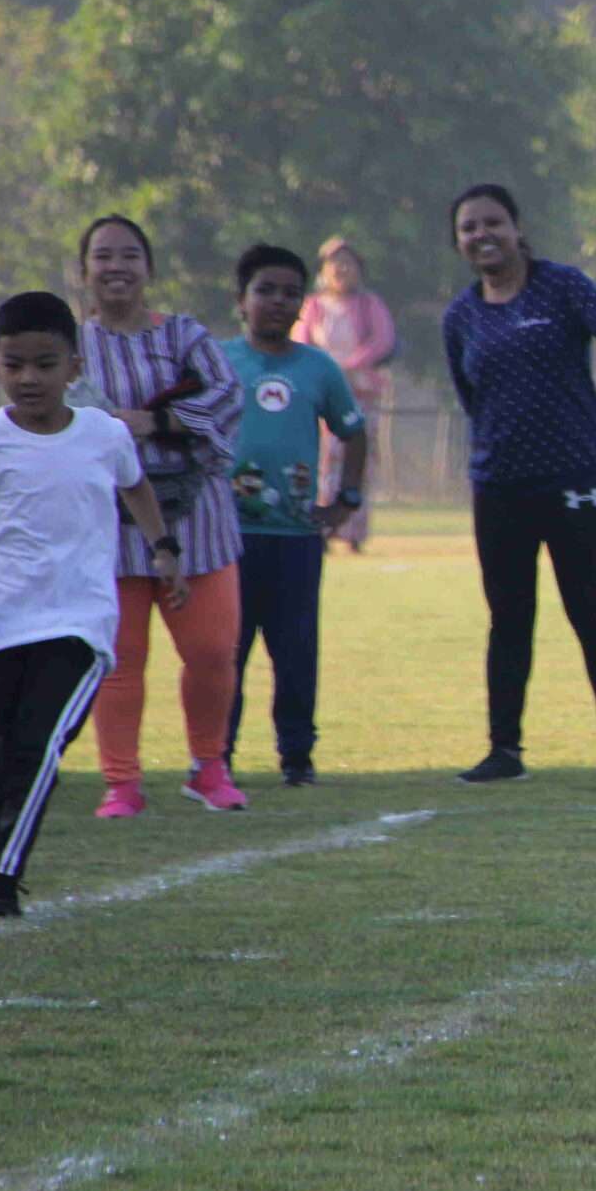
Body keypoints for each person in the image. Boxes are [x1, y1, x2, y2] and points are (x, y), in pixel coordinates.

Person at [0, 292, 184, 921]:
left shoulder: (102, 434)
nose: (29, 379)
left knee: (36, 750)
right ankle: (0, 786)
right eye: (14, 364)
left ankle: (2, 881)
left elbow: (136, 485)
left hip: (78, 620)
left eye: (45, 364)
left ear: (74, 367)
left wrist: (163, 549)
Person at [442, 183, 596, 783]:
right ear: (458, 242)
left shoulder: (562, 285)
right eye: (469, 227)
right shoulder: (460, 317)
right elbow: (473, 398)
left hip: (574, 478)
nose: (482, 235)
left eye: (493, 222)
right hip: (499, 486)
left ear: (517, 229)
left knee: (591, 607)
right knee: (509, 617)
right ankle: (504, 750)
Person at [73, 214, 249, 817]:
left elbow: (229, 396)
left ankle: (209, 767)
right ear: (84, 270)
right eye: (103, 256)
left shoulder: (184, 336)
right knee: (120, 660)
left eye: (128, 255)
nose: (115, 266)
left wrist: (158, 422)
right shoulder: (71, 348)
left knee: (211, 653)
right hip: (110, 525)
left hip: (196, 518)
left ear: (149, 268)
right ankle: (121, 782)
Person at [223, 244, 368, 787]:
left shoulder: (318, 368)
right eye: (265, 290)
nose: (278, 302)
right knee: (224, 653)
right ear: (241, 300)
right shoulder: (219, 362)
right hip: (229, 538)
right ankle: (217, 754)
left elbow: (353, 431)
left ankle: (297, 755)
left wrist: (344, 502)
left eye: (290, 292)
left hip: (295, 538)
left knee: (295, 651)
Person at [294, 236, 395, 552]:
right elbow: (300, 341)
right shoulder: (312, 306)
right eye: (334, 264)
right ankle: (321, 529)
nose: (341, 269)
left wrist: (348, 366)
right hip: (320, 395)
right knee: (322, 461)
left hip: (360, 393)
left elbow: (382, 340)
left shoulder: (370, 305)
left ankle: (353, 532)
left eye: (348, 263)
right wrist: (326, 372)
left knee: (357, 460)